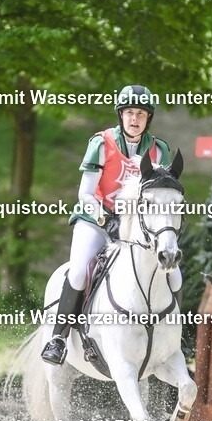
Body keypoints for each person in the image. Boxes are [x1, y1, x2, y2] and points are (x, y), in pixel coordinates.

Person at [40, 84, 182, 365]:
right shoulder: (101, 143)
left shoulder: (159, 149)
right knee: (79, 271)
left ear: (148, 118)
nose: (135, 118)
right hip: (96, 219)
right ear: (120, 115)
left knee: (174, 274)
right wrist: (106, 219)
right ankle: (58, 338)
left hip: (138, 226)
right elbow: (85, 193)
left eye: (141, 113)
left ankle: (176, 340)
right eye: (129, 112)